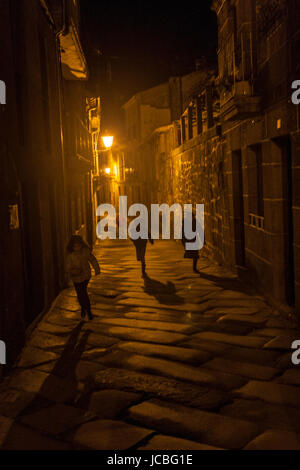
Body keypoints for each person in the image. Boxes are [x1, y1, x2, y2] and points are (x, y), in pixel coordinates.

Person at [66, 235, 100, 320]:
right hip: (75, 277)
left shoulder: (85, 251)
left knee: (83, 293)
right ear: (72, 246)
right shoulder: (70, 255)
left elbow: (92, 259)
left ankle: (88, 311)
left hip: (85, 276)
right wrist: (73, 271)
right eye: (75, 246)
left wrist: (97, 269)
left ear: (81, 245)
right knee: (79, 294)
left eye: (78, 245)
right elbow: (68, 267)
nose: (77, 248)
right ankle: (83, 307)